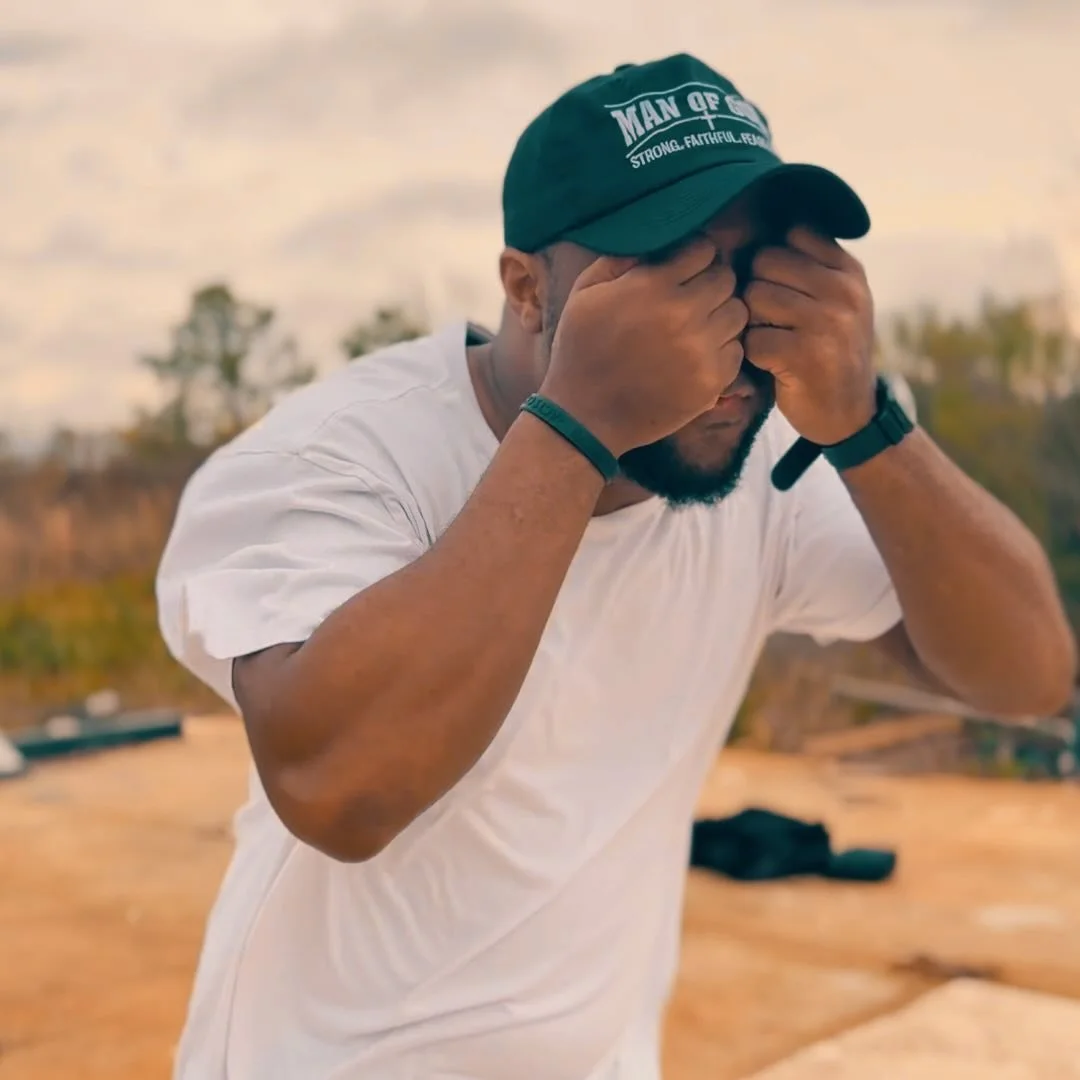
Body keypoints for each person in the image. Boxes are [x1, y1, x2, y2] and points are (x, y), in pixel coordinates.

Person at [157, 52, 1076, 1080]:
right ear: (527, 291)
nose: (724, 340)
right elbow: (339, 790)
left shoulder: (765, 466)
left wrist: (865, 424)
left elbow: (1026, 673)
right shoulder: (337, 460)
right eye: (674, 281)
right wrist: (580, 425)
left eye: (762, 278)